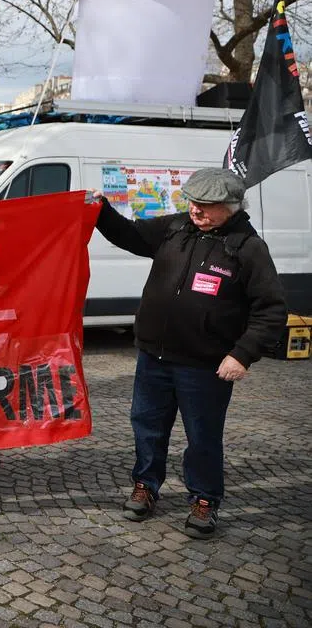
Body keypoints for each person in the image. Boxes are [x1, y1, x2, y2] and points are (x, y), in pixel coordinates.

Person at [91, 168, 286, 539]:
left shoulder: (248, 247)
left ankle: (205, 499)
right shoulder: (176, 227)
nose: (196, 210)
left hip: (205, 366)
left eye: (206, 205)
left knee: (203, 437)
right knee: (147, 428)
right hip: (154, 357)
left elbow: (271, 309)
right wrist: (100, 209)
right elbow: (129, 235)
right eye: (193, 202)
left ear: (231, 207)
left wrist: (242, 354)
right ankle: (146, 486)